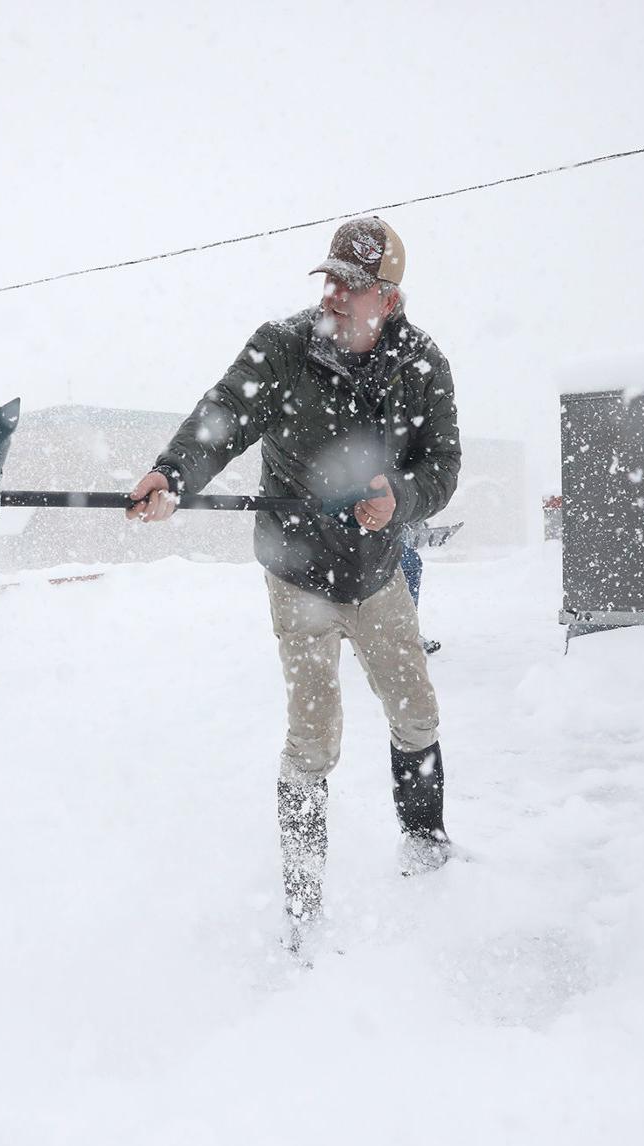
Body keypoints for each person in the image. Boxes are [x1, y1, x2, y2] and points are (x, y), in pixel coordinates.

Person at [125, 216, 461, 949]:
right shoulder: (281, 347)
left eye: (355, 285)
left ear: (390, 301)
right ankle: (303, 902)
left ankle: (426, 843)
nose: (335, 295)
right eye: (330, 279)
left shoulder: (423, 364)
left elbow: (443, 469)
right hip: (299, 574)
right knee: (312, 739)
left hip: (376, 575)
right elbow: (222, 415)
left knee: (415, 712)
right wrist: (173, 473)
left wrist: (397, 499)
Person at [397, 522, 441, 654]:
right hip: (391, 564)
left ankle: (411, 633)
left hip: (410, 564)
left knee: (410, 603)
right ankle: (372, 639)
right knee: (385, 604)